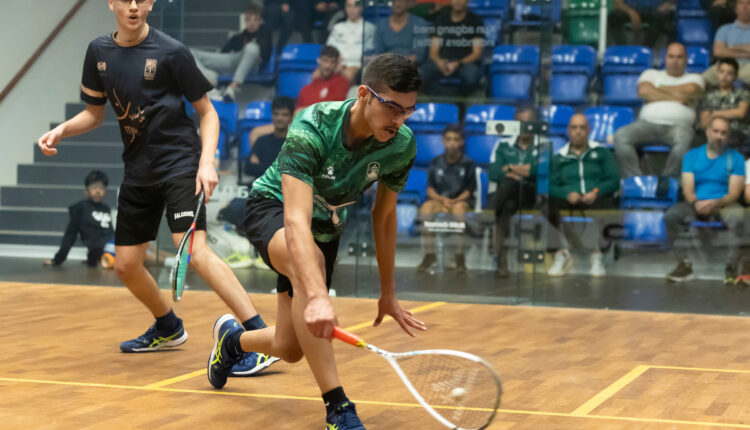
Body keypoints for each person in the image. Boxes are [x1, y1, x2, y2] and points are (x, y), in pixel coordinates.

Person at [36, 0, 276, 377]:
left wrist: (207, 161)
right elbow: (94, 113)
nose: (133, 6)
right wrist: (62, 130)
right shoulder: (98, 52)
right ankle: (168, 327)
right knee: (127, 266)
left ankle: (261, 336)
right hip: (137, 170)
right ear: (111, 3)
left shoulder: (171, 52)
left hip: (180, 164)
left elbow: (208, 111)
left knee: (195, 252)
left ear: (150, 4)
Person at [206, 54, 427, 430]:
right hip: (273, 209)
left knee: (290, 348)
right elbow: (295, 220)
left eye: (409, 111)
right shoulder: (313, 125)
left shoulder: (401, 145)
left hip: (324, 229)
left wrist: (388, 292)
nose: (399, 120)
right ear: (364, 95)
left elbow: (384, 217)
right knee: (311, 266)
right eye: (392, 107)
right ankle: (338, 408)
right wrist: (320, 296)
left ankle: (232, 343)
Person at [665, 116, 745, 283]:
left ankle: (731, 269)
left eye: (723, 133)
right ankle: (684, 265)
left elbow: (734, 193)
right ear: (708, 132)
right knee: (671, 216)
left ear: (728, 136)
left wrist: (716, 202)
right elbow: (688, 189)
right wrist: (696, 203)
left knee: (739, 216)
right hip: (696, 203)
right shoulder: (691, 156)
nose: (719, 136)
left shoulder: (736, 158)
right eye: (715, 131)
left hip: (724, 204)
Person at [614, 42, 705, 178]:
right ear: (665, 58)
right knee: (620, 136)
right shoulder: (651, 74)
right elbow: (644, 91)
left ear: (686, 59)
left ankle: (668, 182)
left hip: (679, 127)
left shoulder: (696, 78)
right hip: (646, 124)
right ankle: (634, 180)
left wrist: (656, 93)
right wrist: (679, 97)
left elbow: (691, 91)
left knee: (684, 143)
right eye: (671, 56)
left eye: (679, 57)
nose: (675, 61)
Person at [546, 114, 620, 278]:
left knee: (611, 211)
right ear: (568, 131)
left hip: (595, 198)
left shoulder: (602, 152)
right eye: (574, 128)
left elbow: (614, 180)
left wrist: (596, 192)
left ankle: (598, 254)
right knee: (544, 206)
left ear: (589, 130)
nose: (578, 132)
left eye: (582, 127)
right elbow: (549, 185)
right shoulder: (559, 157)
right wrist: (566, 194)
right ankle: (560, 254)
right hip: (570, 200)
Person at [416, 125, 476, 275]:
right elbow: (430, 189)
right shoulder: (435, 162)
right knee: (426, 208)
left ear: (462, 142)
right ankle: (430, 254)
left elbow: (469, 191)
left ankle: (459, 256)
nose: (452, 143)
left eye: (456, 139)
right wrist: (443, 200)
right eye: (448, 139)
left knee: (458, 210)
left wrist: (453, 201)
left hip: (460, 201)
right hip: (441, 200)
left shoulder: (469, 163)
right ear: (443, 140)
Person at [488, 108, 540, 278]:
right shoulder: (503, 144)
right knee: (507, 206)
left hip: (531, 195)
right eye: (519, 122)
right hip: (509, 197)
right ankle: (502, 260)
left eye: (527, 122)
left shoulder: (543, 144)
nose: (523, 126)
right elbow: (494, 172)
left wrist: (510, 168)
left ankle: (486, 218)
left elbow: (539, 171)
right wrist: (522, 171)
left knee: (509, 182)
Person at [192, 3, 272, 101]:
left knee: (252, 48)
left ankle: (233, 87)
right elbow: (222, 54)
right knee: (189, 52)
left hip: (253, 66)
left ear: (260, 21)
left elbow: (265, 56)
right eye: (249, 20)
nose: (252, 23)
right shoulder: (237, 38)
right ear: (245, 21)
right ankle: (209, 77)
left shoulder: (265, 36)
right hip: (235, 62)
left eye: (255, 20)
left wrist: (257, 54)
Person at [43, 170, 113, 268]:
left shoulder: (106, 208)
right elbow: (70, 235)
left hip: (111, 246)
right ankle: (95, 257)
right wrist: (58, 259)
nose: (98, 191)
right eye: (94, 187)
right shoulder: (80, 208)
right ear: (86, 191)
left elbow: (109, 232)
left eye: (101, 188)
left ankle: (95, 258)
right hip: (100, 250)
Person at [419, 0, 483, 96]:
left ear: (467, 2)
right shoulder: (441, 19)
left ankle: (460, 102)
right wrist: (439, 62)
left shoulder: (476, 20)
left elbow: (477, 53)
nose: (458, 1)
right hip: (442, 61)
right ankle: (443, 97)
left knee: (471, 76)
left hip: (465, 63)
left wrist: (458, 63)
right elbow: (433, 52)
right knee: (420, 74)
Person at [698, 57, 750, 156]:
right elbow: (704, 122)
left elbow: (741, 112)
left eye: (729, 73)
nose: (724, 76)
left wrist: (714, 114)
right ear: (717, 73)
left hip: (738, 131)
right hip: (713, 132)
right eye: (722, 72)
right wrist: (729, 114)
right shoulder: (708, 95)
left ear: (735, 76)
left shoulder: (742, 93)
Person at [244, 96, 295, 180]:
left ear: (291, 117)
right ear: (272, 115)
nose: (279, 118)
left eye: (284, 115)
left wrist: (261, 166)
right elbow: (248, 168)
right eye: (276, 114)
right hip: (262, 190)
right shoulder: (261, 141)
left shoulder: (295, 144)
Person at [326, 0, 376, 83]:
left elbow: (369, 52)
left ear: (361, 8)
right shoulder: (337, 27)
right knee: (316, 74)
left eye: (355, 6)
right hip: (335, 64)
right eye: (349, 6)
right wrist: (336, 63)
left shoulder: (369, 28)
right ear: (345, 8)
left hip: (356, 65)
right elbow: (329, 49)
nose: (351, 10)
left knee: (348, 74)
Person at [703, 0, 750, 87]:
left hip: (748, 67)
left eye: (748, 4)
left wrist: (731, 47)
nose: (744, 7)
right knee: (700, 81)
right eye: (741, 3)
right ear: (736, 8)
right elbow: (718, 51)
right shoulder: (724, 29)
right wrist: (746, 51)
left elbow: (723, 50)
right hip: (724, 66)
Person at [374, 0, 429, 64]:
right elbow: (378, 54)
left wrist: (397, 64)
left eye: (401, 0)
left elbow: (419, 56)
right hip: (386, 67)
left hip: (411, 67)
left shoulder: (419, 23)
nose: (397, 3)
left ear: (408, 2)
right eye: (394, 1)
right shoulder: (381, 24)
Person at [297, 45, 351, 110]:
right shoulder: (305, 90)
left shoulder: (341, 83)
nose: (328, 66)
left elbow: (332, 109)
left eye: (332, 62)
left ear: (337, 64)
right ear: (319, 60)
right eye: (325, 61)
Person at [608, 0, 676, 46]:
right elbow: (618, 2)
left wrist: (666, 5)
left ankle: (645, 48)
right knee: (613, 16)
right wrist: (630, 12)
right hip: (630, 10)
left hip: (654, 11)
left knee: (662, 16)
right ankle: (622, 48)